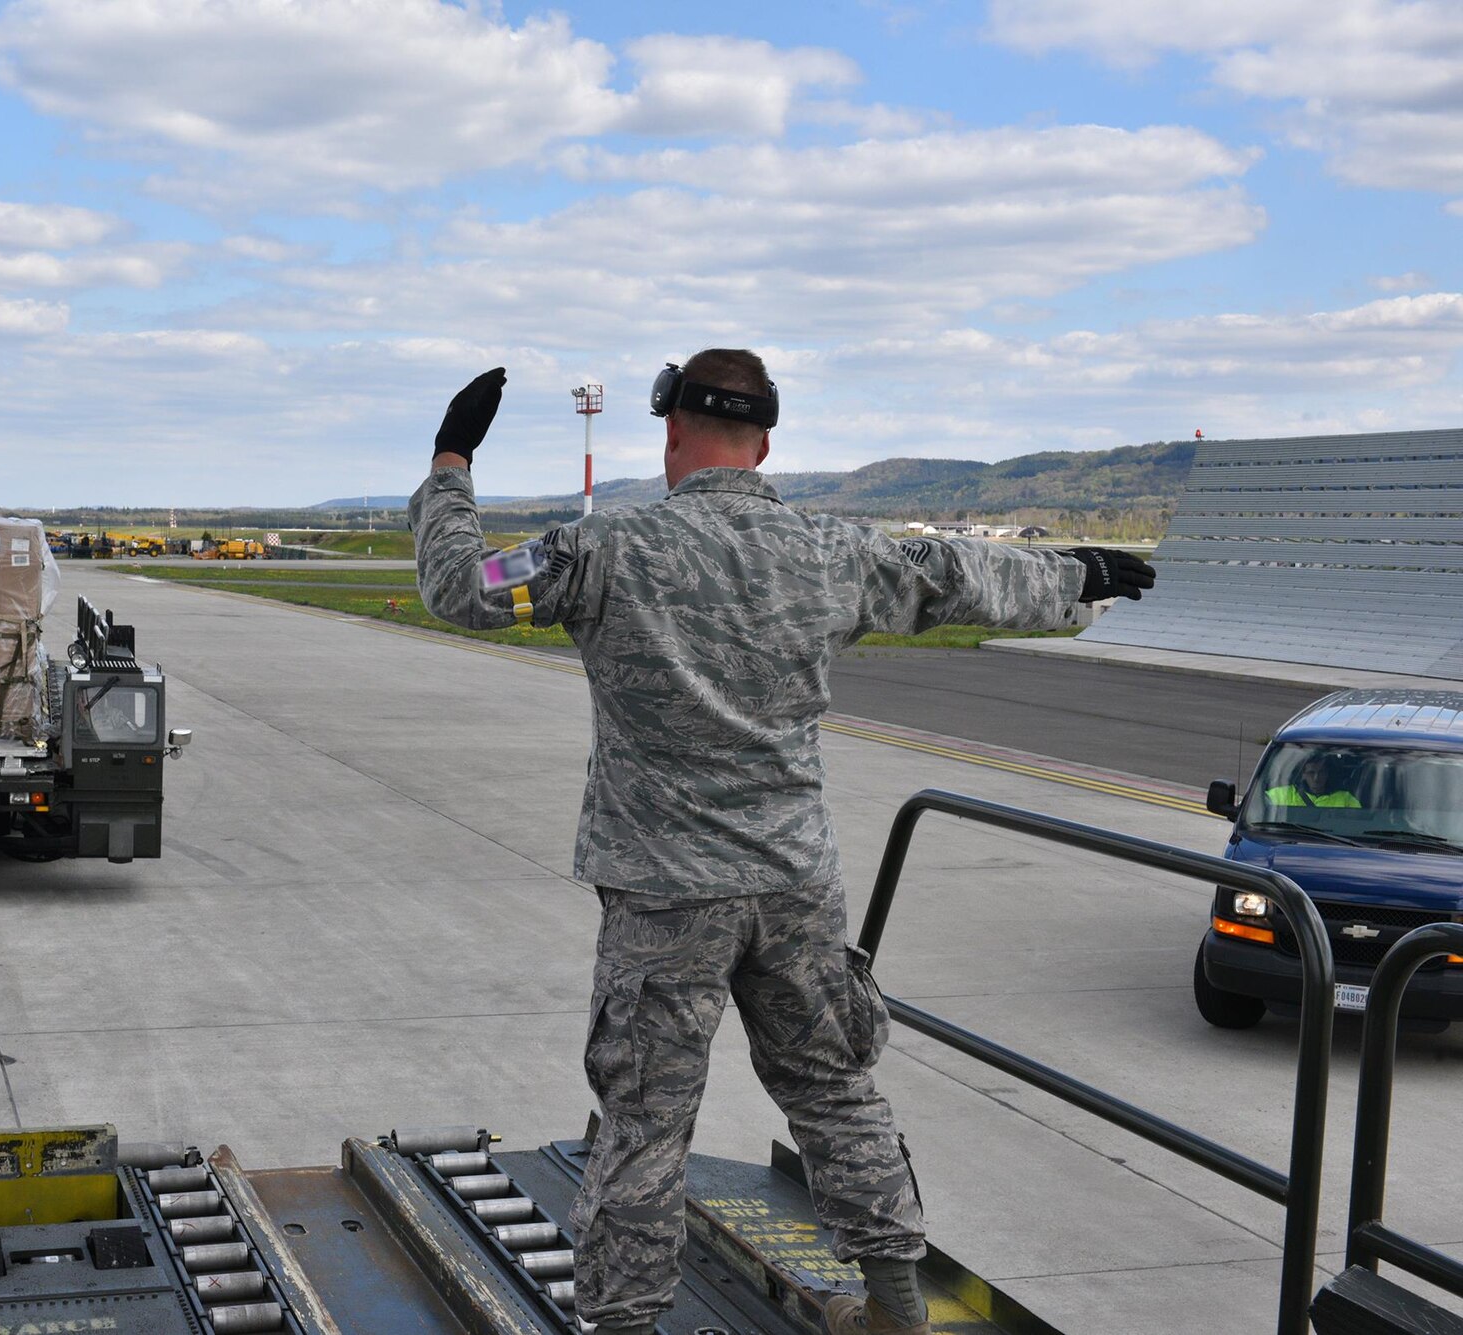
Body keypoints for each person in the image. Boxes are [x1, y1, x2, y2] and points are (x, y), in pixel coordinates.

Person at [408, 353, 1157, 1335]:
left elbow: (461, 588)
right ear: (762, 444)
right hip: (792, 882)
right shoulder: (824, 551)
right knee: (832, 1090)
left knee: (644, 1126)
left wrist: (452, 458)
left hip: (662, 894)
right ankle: (894, 1310)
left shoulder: (600, 551)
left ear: (670, 432)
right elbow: (952, 574)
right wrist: (1073, 576)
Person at [1266, 752, 1361, 808]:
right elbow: (1258, 803)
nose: (1316, 778)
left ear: (1327, 773)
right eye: (1311, 773)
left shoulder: (1346, 799)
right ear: (1303, 774)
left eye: (1321, 772)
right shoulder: (1284, 795)